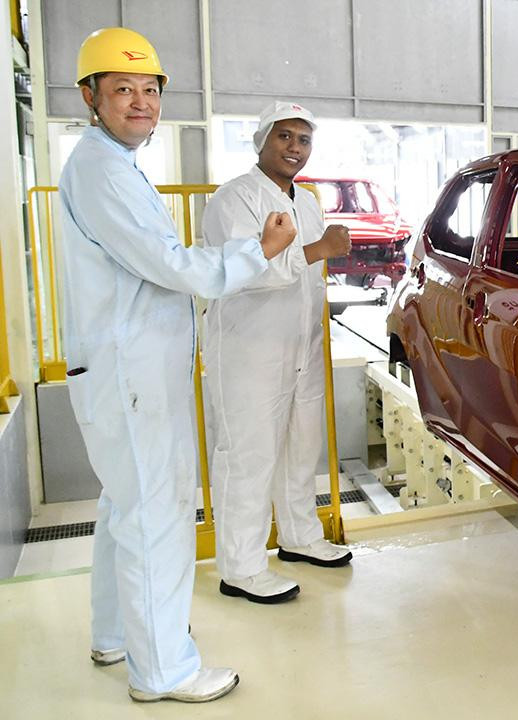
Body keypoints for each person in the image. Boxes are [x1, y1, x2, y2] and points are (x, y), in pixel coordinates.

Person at [59, 28, 296, 702]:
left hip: (125, 368)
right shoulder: (104, 171)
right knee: (157, 513)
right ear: (90, 97)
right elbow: (173, 266)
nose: (141, 102)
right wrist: (258, 250)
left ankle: (116, 635)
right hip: (131, 372)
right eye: (123, 89)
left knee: (125, 506)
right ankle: (162, 669)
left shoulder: (109, 164)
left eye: (150, 90)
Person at [205, 101, 353, 604]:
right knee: (247, 455)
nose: (295, 148)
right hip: (250, 349)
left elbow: (306, 277)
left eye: (303, 140)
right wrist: (320, 249)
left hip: (300, 344)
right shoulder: (234, 199)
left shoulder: (306, 202)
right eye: (284, 136)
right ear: (262, 141)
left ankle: (300, 537)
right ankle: (241, 567)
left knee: (300, 445)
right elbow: (246, 271)